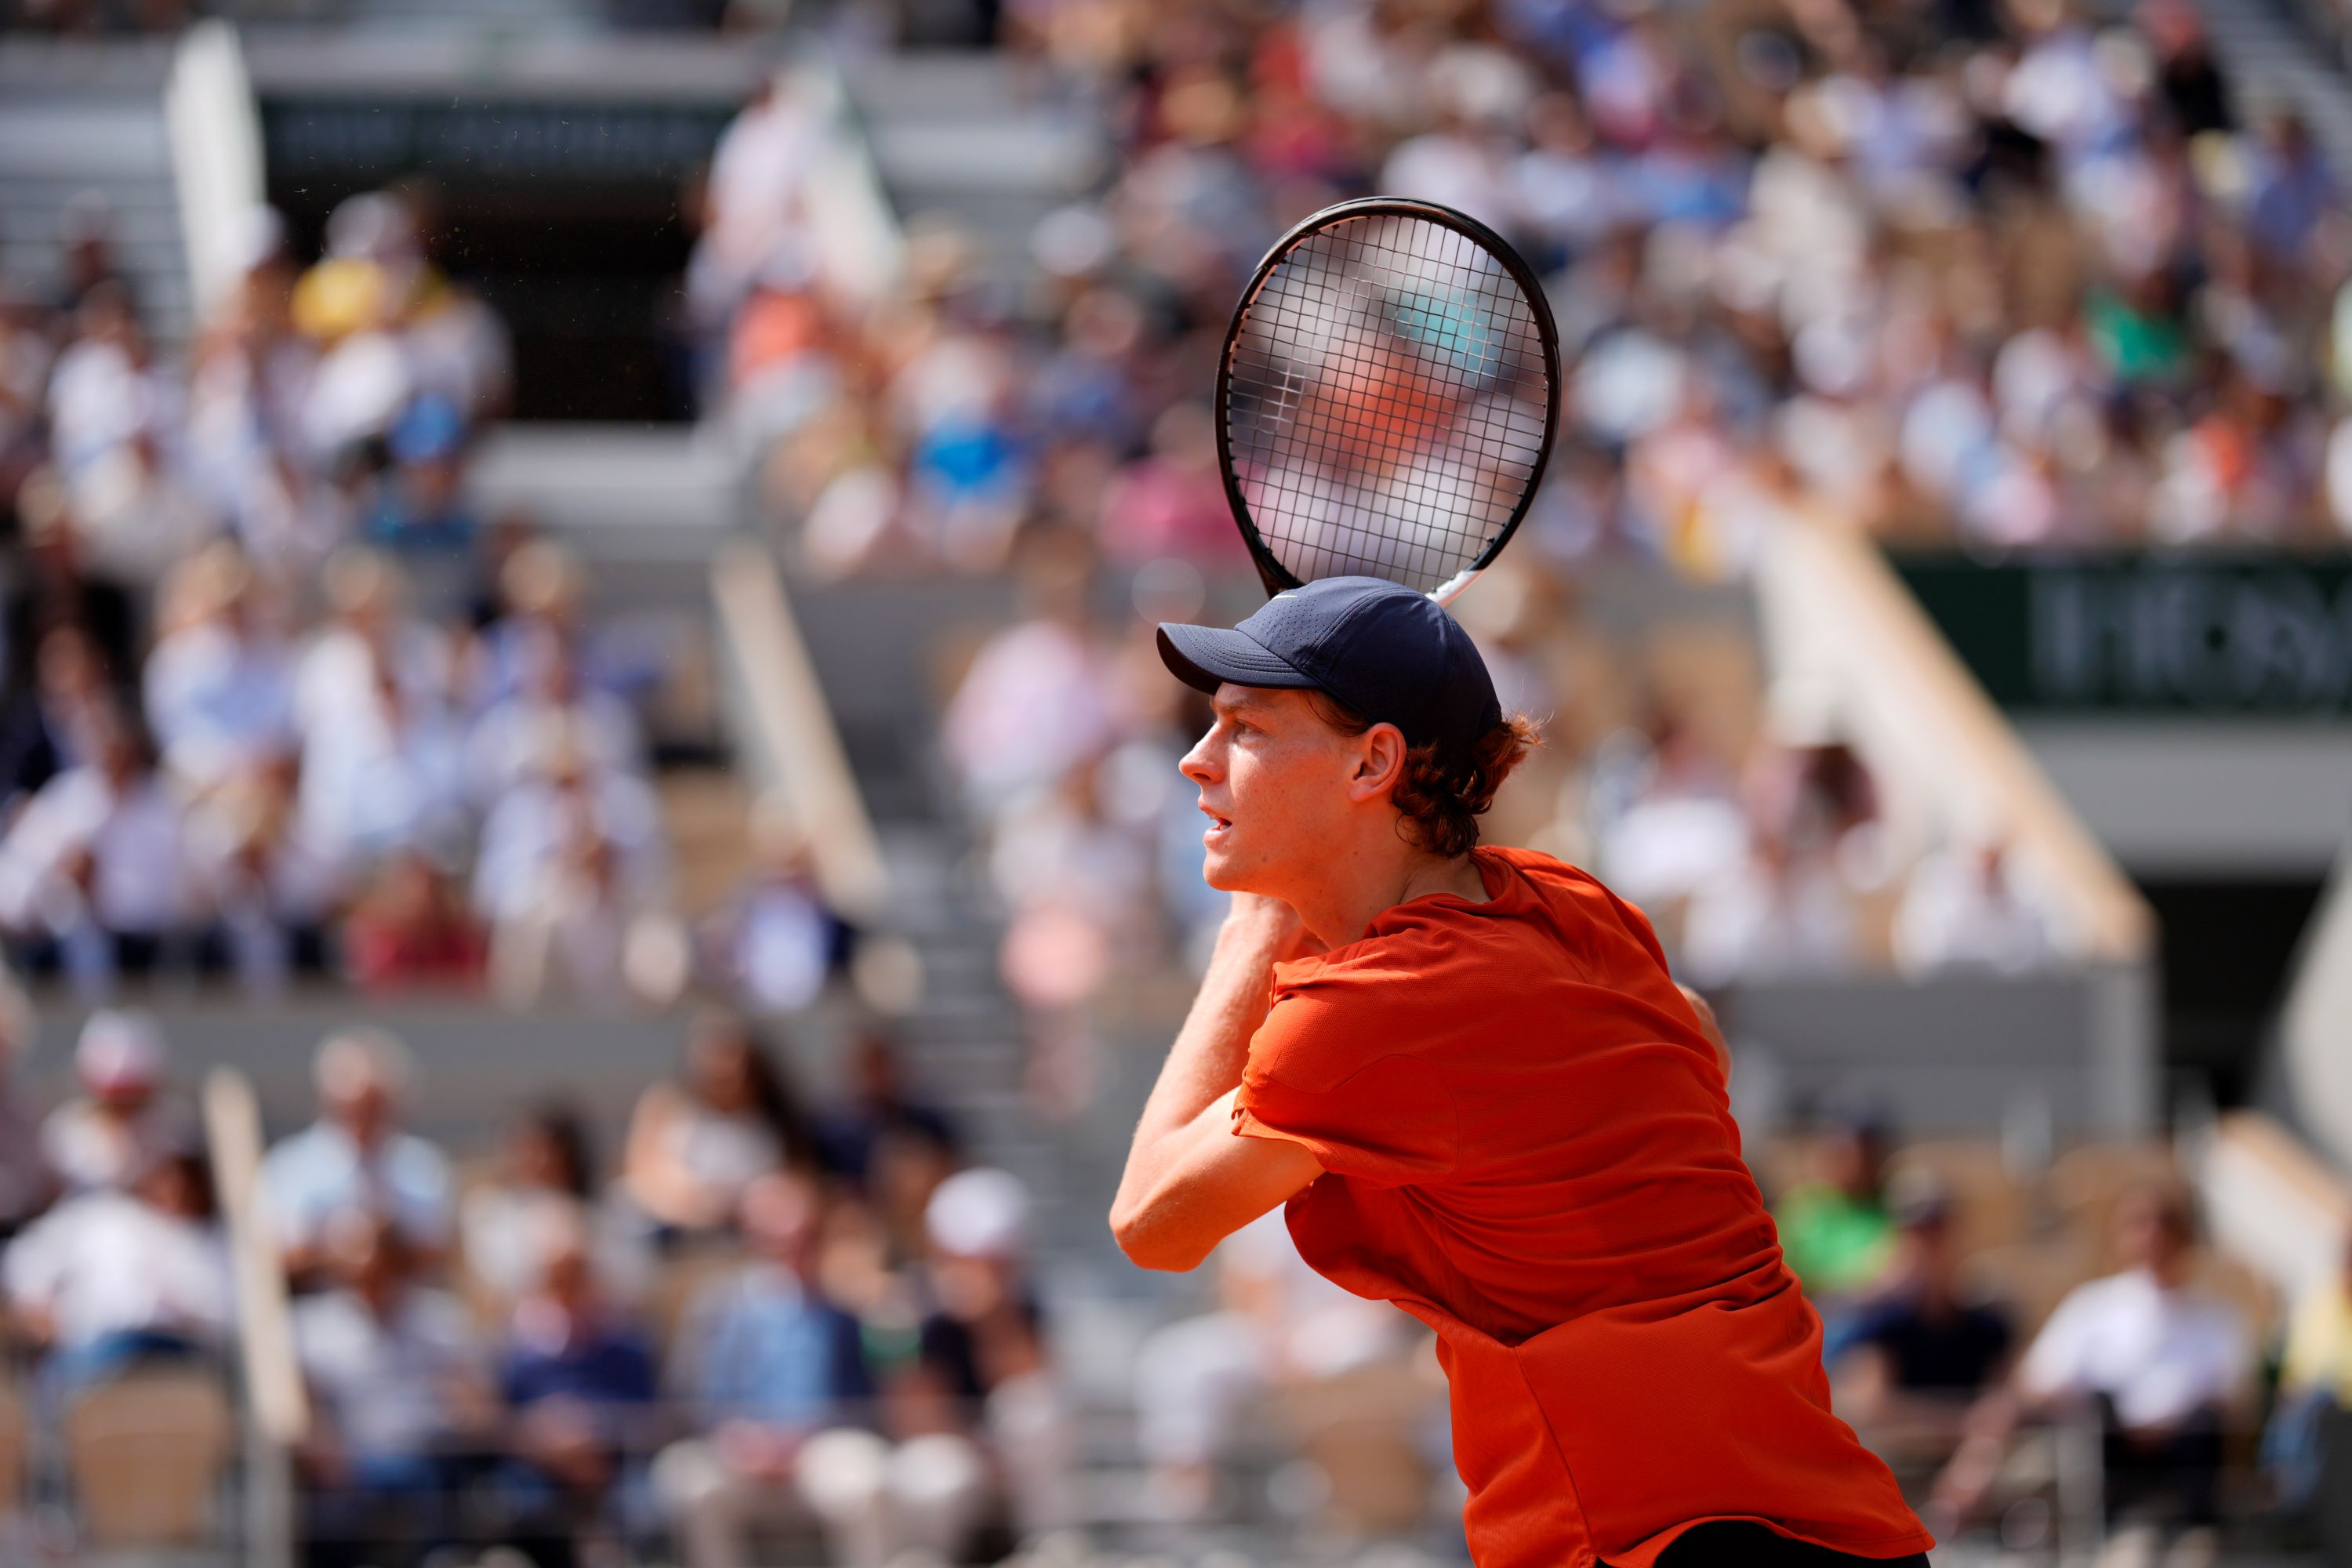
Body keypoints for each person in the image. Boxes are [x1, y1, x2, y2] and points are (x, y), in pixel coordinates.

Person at [1109, 577, 1933, 1568]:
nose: (1197, 759)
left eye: (1245, 728)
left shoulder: (1370, 1012)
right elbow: (1699, 1037)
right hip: (1838, 1526)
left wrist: (1250, 936)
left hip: (1647, 1538)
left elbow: (1152, 1221)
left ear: (1374, 760)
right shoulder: (1570, 901)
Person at [652, 1171, 986, 1568]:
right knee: (688, 1481)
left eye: (804, 1239)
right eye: (777, 1240)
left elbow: (868, 1399)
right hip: (739, 1451)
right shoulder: (720, 1308)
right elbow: (696, 1395)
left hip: (819, 1449)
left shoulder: (848, 1314)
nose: (792, 1252)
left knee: (867, 1479)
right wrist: (740, 1439)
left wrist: (802, 1440)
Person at [1929, 1184, 2250, 1550]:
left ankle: (2196, 1532)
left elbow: (2231, 1396)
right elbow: (2038, 1383)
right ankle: (2113, 1528)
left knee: (2202, 1426)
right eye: (2140, 1225)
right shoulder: (2091, 1308)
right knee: (2098, 1414)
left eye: (2164, 1225)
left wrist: (2159, 1426)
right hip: (2106, 1462)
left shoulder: (2218, 1320)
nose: (2152, 1238)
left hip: (2186, 1459)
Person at [292, 1210, 497, 1568]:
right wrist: (325, 1451)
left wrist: (463, 1409)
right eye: (358, 1274)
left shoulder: (439, 1319)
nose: (370, 1283)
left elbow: (474, 1399)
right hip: (352, 1469)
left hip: (430, 1461)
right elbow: (306, 1413)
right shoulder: (310, 1328)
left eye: (381, 1270)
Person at [4, 1145, 230, 1396]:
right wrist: (36, 1308)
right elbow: (28, 1257)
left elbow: (221, 1311)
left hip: (174, 1352)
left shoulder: (204, 1243)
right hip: (90, 1347)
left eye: (186, 1188)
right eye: (168, 1182)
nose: (174, 1194)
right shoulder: (105, 1216)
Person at [262, 1029, 456, 1283]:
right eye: (351, 1111)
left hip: (408, 1303)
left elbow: (440, 1250)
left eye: (374, 1110)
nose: (362, 1123)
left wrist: (386, 1246)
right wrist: (339, 1254)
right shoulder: (289, 1165)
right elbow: (277, 1256)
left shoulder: (425, 1166)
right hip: (318, 1302)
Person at [619, 1008, 814, 1241]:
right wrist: (707, 1204)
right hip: (672, 1237)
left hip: (753, 1242)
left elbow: (797, 1184)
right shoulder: (666, 1105)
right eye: (712, 1054)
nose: (720, 1066)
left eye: (729, 1053)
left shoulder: (775, 1120)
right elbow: (644, 1177)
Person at [39, 1007, 191, 1195]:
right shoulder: (65, 1131)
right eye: (114, 1096)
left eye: (133, 1093)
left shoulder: (178, 1130)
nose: (123, 1103)